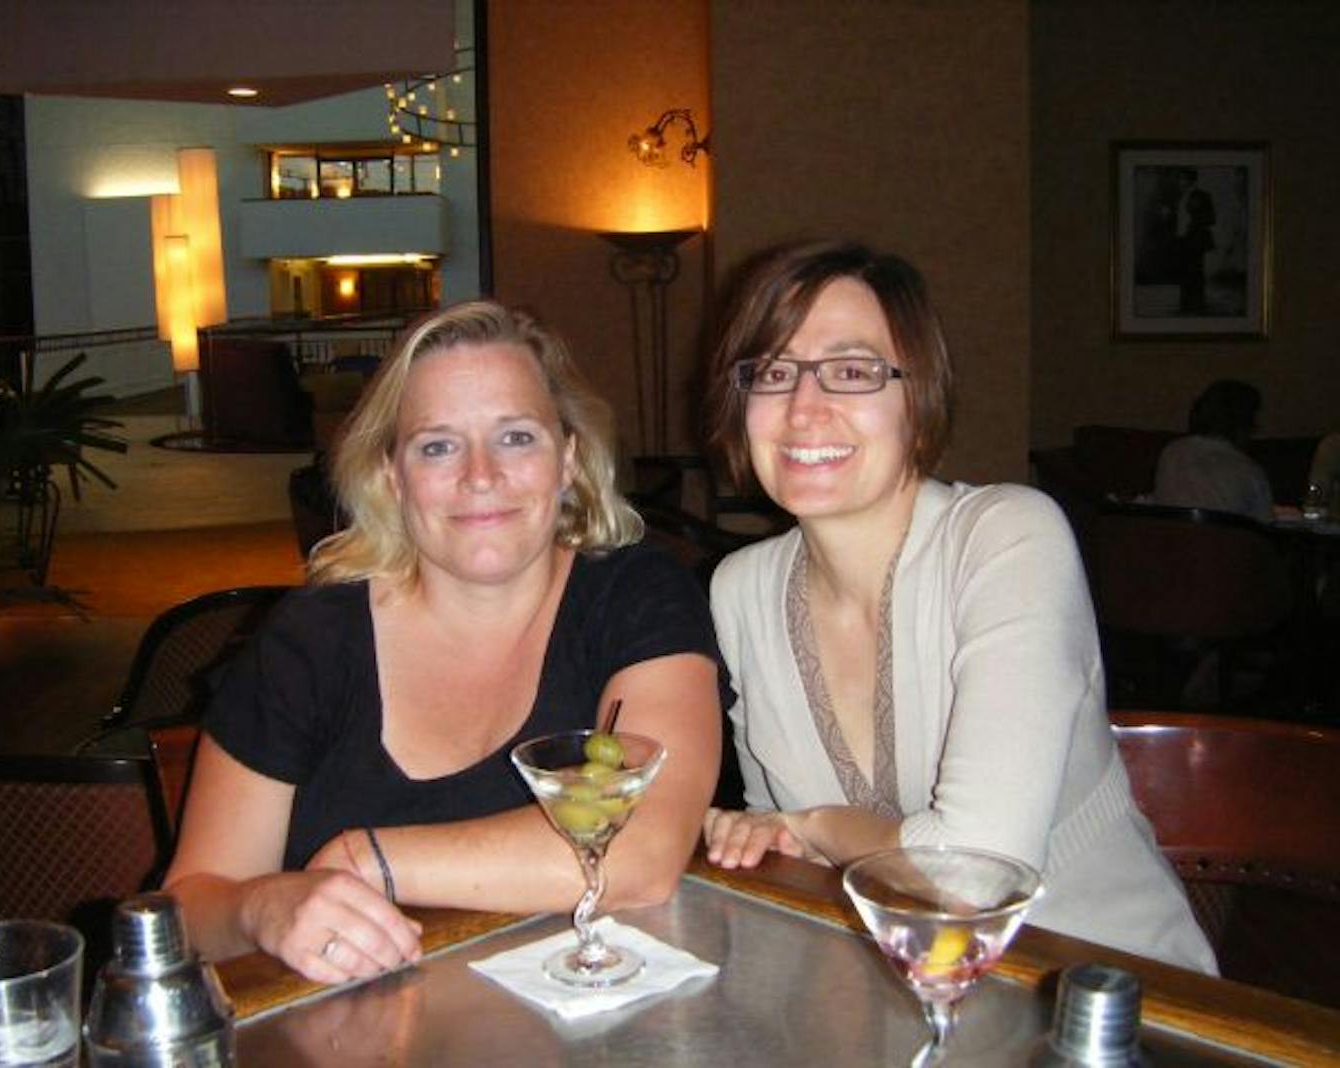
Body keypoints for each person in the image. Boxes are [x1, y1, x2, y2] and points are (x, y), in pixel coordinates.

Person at [163, 301, 726, 982]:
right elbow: (189, 909)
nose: (480, 475)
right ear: (393, 477)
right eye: (437, 446)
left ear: (569, 460)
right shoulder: (311, 639)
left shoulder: (635, 596)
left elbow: (642, 853)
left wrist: (365, 859)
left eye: (516, 437)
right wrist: (259, 908)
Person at [699, 239, 1216, 973]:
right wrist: (772, 837)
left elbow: (977, 877)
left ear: (920, 396)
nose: (803, 409)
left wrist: (817, 824)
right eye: (774, 373)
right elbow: (788, 857)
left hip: (1103, 1000)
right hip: (901, 1000)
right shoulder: (740, 588)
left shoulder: (1008, 538)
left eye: (852, 371)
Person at [1153, 379, 1273, 523]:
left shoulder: (1171, 452)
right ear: (1245, 423)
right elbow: (1264, 523)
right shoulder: (1249, 471)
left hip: (1170, 541)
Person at [1174, 167, 1216, 315]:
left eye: (1182, 178)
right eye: (1179, 179)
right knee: (1185, 272)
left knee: (1196, 272)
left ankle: (1198, 305)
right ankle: (1186, 304)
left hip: (1195, 241)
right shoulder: (1182, 196)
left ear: (1190, 180)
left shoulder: (1202, 196)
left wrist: (1193, 222)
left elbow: (1211, 218)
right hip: (1183, 240)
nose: (1180, 182)